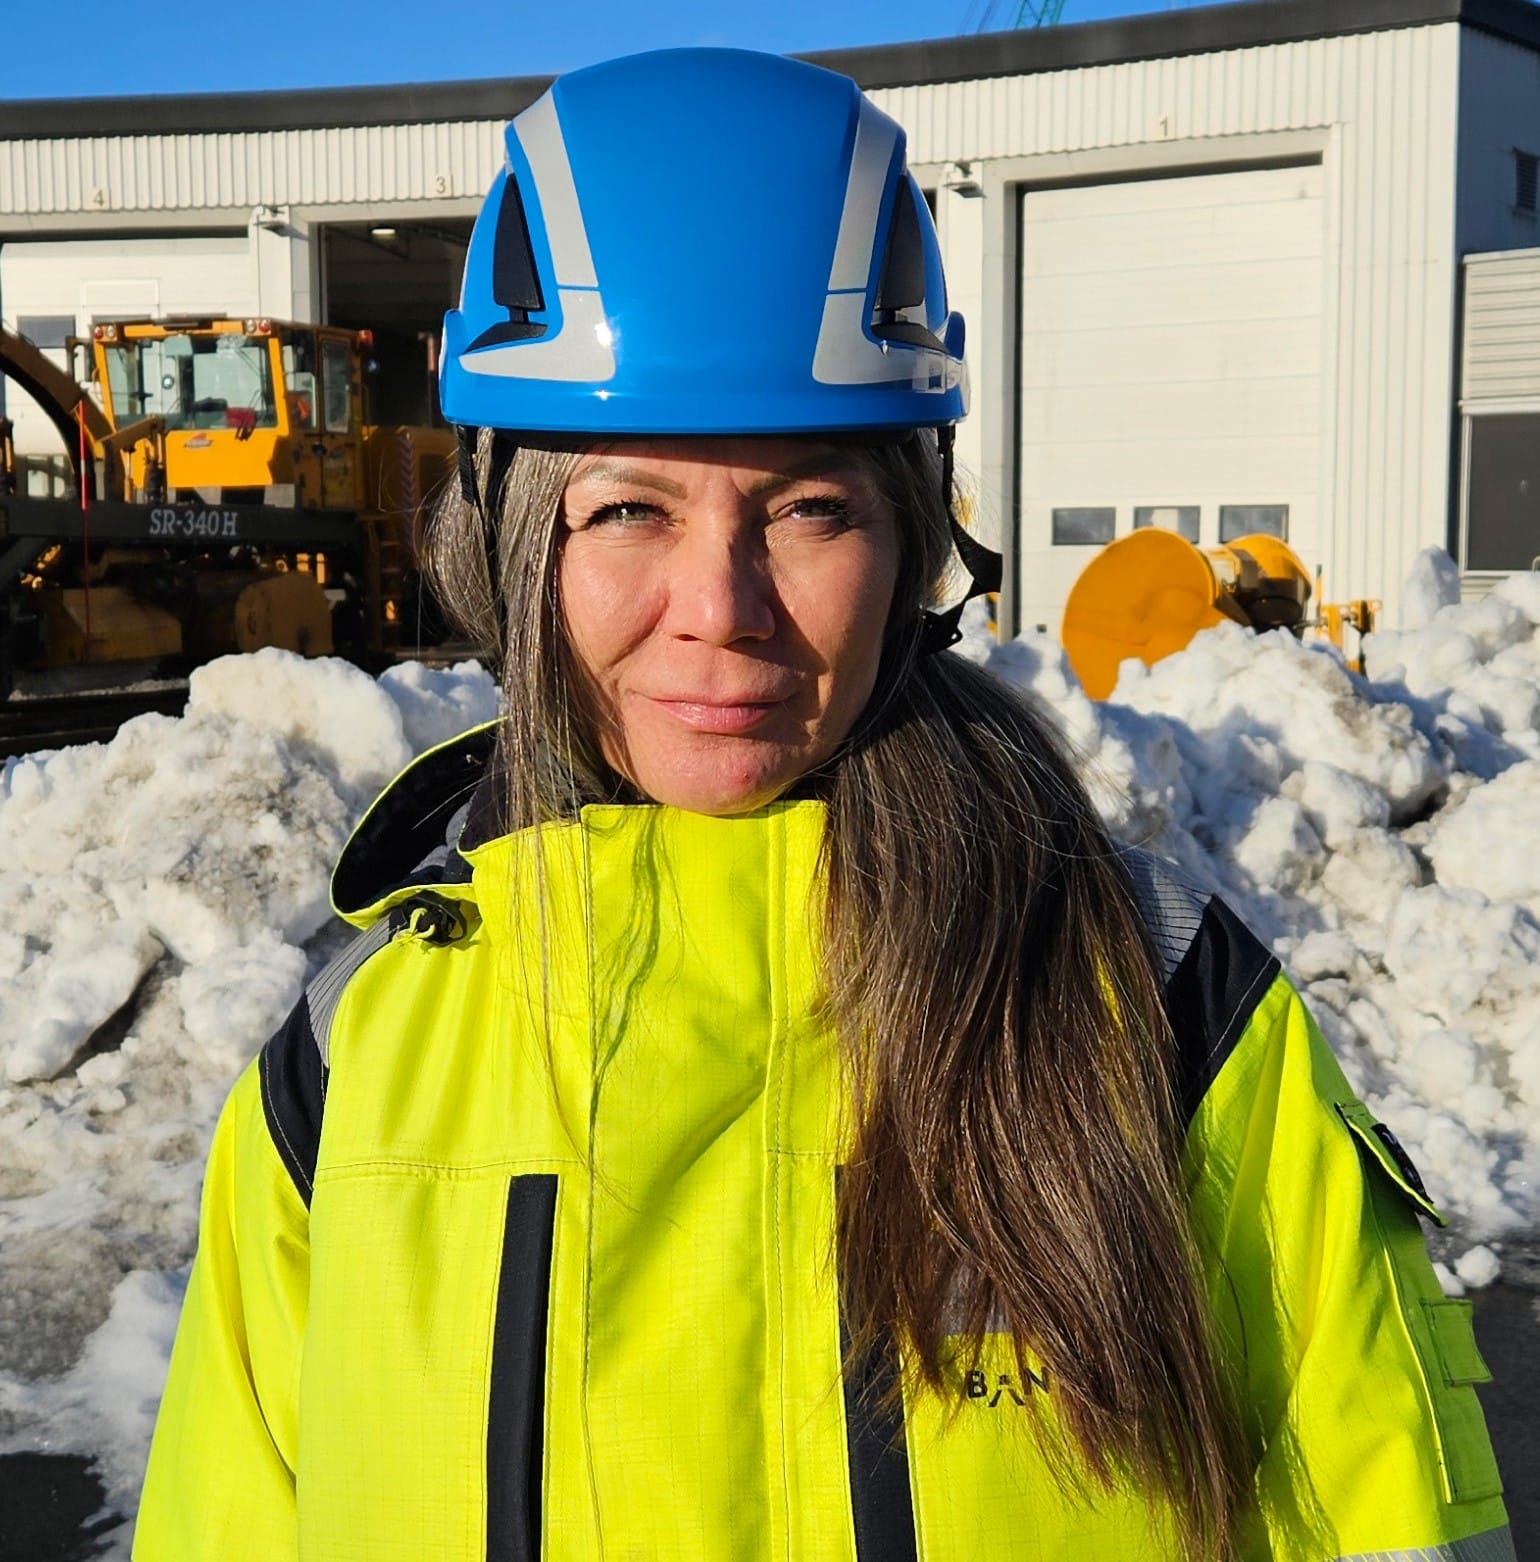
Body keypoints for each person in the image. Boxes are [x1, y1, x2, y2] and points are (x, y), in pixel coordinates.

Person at [134, 47, 1512, 1562]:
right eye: (629, 508)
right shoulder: (345, 1077)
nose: (719, 608)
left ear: (913, 545)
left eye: (807, 507)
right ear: (518, 548)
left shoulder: (1168, 1011)